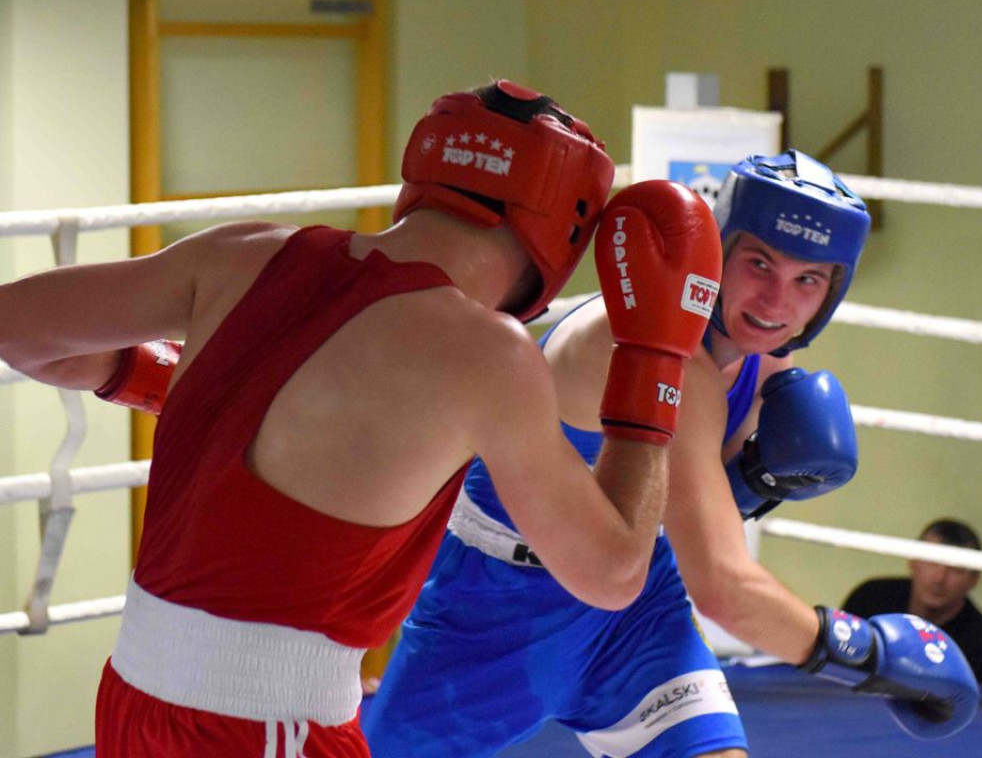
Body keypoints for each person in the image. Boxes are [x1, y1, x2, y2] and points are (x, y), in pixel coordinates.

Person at [0, 80, 724, 756]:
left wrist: (209, 391)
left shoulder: (241, 254)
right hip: (268, 727)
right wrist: (653, 361)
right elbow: (613, 574)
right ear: (563, 231)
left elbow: (24, 333)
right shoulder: (486, 354)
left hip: (131, 696)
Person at [362, 150, 981, 758]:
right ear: (719, 248)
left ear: (831, 293)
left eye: (806, 280)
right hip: (500, 602)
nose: (775, 301)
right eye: (759, 263)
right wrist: (869, 656)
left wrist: (756, 477)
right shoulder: (666, 352)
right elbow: (723, 586)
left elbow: (692, 500)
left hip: (635, 607)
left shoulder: (762, 350)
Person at [844, 518, 982, 691]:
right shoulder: (869, 599)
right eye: (931, 561)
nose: (939, 578)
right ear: (912, 560)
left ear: (974, 579)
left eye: (957, 568)